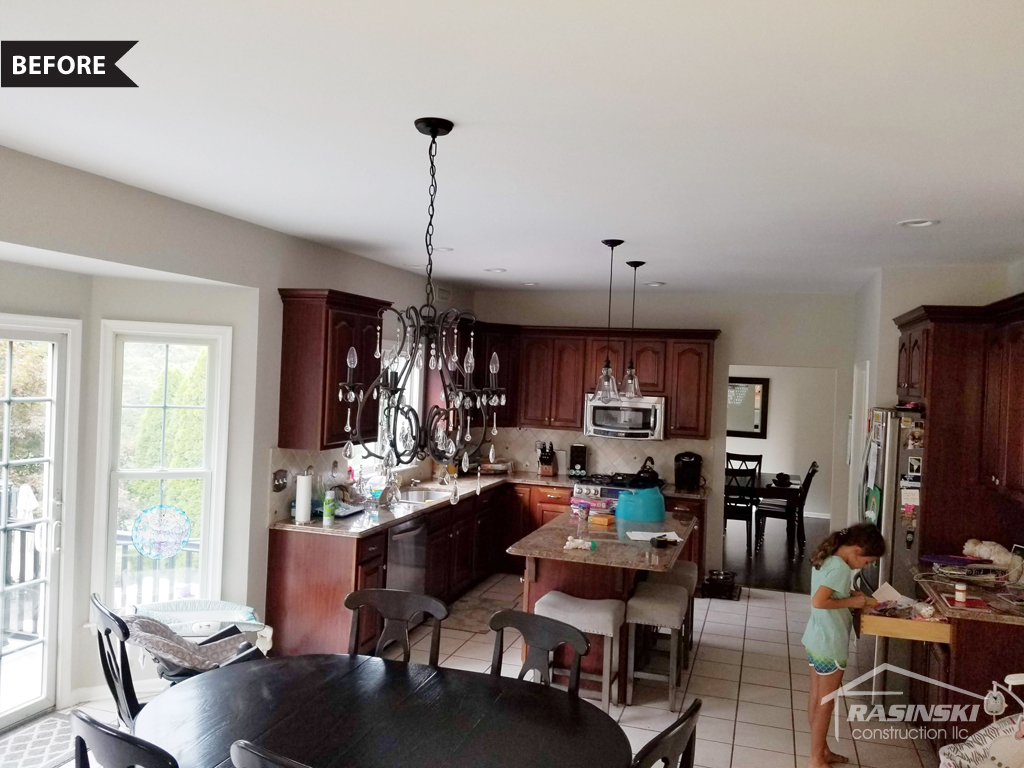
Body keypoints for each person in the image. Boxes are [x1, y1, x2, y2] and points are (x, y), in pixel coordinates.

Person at [801, 524, 886, 768]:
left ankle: (822, 751)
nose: (866, 567)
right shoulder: (841, 568)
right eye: (867, 562)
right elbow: (819, 601)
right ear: (856, 550)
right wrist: (853, 602)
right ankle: (816, 759)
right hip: (830, 643)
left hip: (816, 638)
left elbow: (828, 592)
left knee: (816, 697)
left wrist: (850, 596)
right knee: (826, 703)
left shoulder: (829, 558)